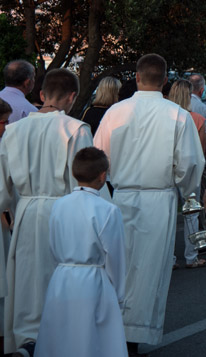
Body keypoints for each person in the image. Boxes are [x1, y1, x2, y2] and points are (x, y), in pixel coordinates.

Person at [93, 54, 204, 354]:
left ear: (138, 77)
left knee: (118, 266)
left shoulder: (116, 111)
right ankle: (132, 337)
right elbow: (191, 164)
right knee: (149, 269)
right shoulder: (177, 115)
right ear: (165, 81)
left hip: (122, 195)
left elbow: (98, 156)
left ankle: (113, 332)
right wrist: (188, 191)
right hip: (159, 198)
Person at [0, 68, 93, 357]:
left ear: (41, 95)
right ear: (72, 97)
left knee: (28, 279)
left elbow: (3, 189)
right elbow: (84, 181)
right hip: (63, 210)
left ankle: (28, 339)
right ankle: (59, 342)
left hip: (26, 210)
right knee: (60, 278)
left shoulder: (13, 130)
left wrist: (10, 208)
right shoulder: (76, 129)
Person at [36, 147, 126, 357]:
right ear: (103, 176)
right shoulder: (107, 209)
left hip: (61, 278)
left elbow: (52, 243)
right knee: (90, 339)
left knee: (61, 335)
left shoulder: (59, 205)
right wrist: (118, 294)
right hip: (93, 281)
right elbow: (115, 255)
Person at [168, 79, 206, 269]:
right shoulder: (196, 119)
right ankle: (191, 256)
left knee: (168, 215)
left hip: (168, 169)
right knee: (191, 214)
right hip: (191, 170)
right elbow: (200, 149)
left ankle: (169, 258)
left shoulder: (164, 118)